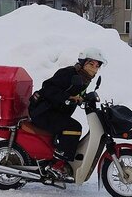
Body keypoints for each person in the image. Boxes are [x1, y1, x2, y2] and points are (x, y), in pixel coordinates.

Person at [28, 47, 106, 178]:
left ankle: (58, 158)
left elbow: (76, 94)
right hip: (42, 111)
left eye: (97, 66)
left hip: (53, 112)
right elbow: (47, 88)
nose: (94, 68)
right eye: (91, 64)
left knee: (70, 126)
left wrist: (84, 99)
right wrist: (67, 98)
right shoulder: (69, 73)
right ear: (82, 63)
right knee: (73, 127)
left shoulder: (84, 79)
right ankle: (57, 165)